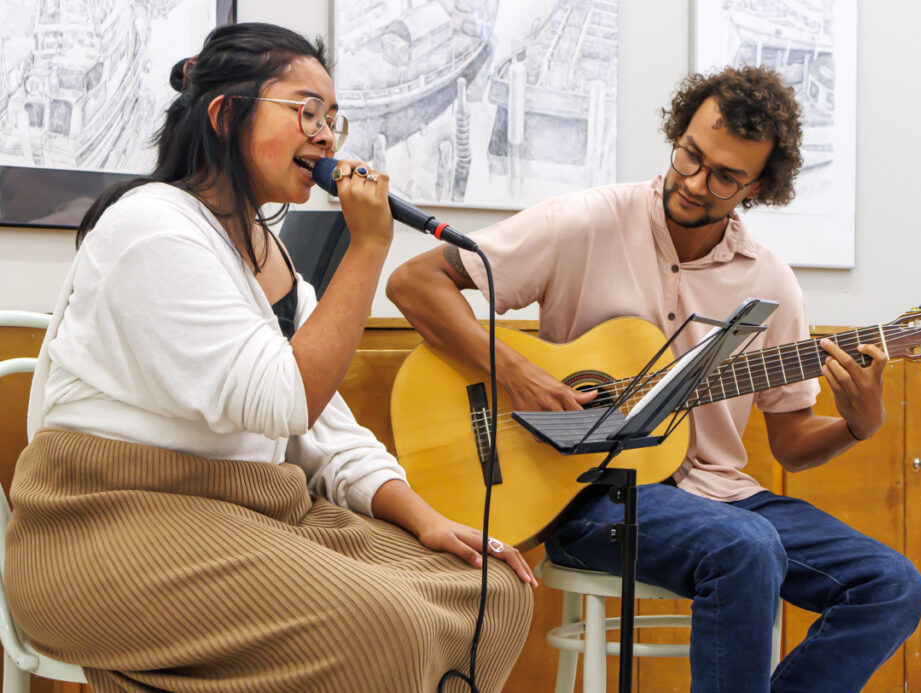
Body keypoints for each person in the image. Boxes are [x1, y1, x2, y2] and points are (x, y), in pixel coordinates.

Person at [5, 23, 534, 693]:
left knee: (496, 592)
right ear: (225, 116)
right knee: (383, 625)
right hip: (108, 521)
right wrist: (368, 248)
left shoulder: (272, 257)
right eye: (306, 111)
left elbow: (329, 431)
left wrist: (428, 519)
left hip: (251, 513)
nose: (325, 136)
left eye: (333, 121)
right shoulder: (150, 228)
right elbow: (283, 398)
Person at [387, 65, 921, 692]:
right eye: (690, 156)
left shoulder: (772, 284)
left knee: (893, 586)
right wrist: (522, 375)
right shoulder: (586, 222)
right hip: (587, 491)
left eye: (726, 176)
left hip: (726, 497)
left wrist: (858, 427)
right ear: (679, 133)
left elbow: (790, 443)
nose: (697, 183)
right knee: (746, 547)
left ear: (759, 187)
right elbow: (413, 282)